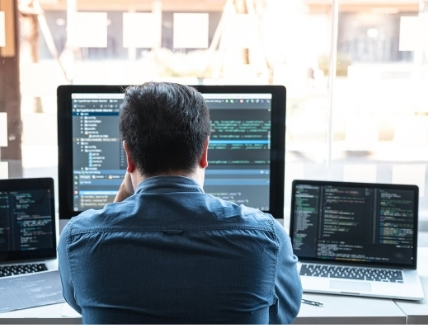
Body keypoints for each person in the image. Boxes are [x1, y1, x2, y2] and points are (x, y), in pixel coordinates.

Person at [58, 81, 302, 324]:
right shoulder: (267, 238)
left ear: (128, 156)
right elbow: (280, 316)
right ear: (205, 152)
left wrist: (120, 199)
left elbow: (82, 300)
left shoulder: (78, 240)